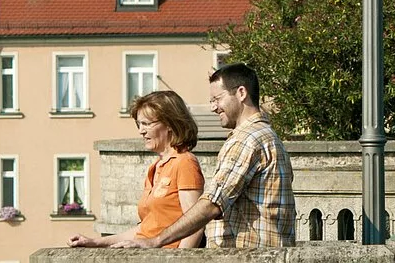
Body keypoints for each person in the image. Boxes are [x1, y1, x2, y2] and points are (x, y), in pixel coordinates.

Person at [114, 62, 296, 249]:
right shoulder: (268, 136)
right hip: (265, 258)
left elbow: (213, 203)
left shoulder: (247, 140)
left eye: (217, 99)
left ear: (241, 93)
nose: (213, 108)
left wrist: (156, 241)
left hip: (249, 261)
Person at [68, 90, 205, 249]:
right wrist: (94, 242)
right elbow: (145, 230)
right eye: (139, 124)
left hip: (167, 262)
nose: (141, 130)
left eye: (147, 124)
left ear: (170, 124)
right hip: (148, 260)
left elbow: (196, 224)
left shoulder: (185, 162)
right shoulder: (155, 167)